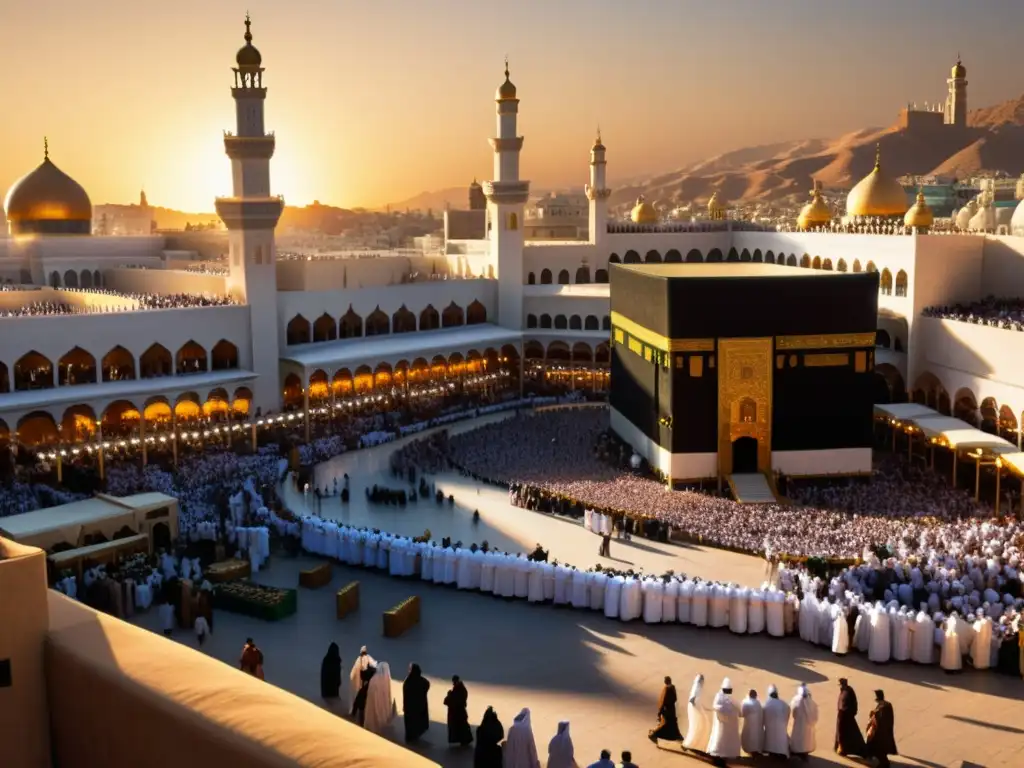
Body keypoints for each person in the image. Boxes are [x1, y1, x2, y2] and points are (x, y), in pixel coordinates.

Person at [707, 677, 741, 766]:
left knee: (719, 740)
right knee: (725, 741)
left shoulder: (719, 698)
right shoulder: (732, 700)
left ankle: (717, 758)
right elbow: (740, 711)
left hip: (721, 725)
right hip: (727, 726)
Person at [865, 690, 898, 768]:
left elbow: (881, 720)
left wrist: (874, 716)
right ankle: (873, 757)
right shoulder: (886, 705)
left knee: (879, 749)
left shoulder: (884, 707)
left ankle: (884, 763)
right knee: (874, 746)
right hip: (881, 731)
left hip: (881, 733)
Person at [835, 678, 866, 757]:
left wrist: (850, 713)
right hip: (844, 715)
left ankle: (843, 749)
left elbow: (849, 703)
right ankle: (842, 748)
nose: (840, 686)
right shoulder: (847, 690)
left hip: (845, 716)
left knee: (844, 733)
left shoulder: (847, 691)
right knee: (846, 733)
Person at [364, 661, 396, 735]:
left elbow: (370, 692)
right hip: (383, 707)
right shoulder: (387, 680)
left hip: (372, 705)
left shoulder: (374, 679)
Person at [648, 676, 682, 743]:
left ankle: (654, 734)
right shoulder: (672, 687)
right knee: (671, 724)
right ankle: (677, 736)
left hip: (667, 710)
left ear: (665, 681)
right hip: (671, 710)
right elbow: (675, 698)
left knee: (666, 724)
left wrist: (660, 711)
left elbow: (662, 701)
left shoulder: (666, 688)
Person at [789, 684, 818, 761]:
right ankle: (804, 753)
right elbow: (815, 716)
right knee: (806, 740)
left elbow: (793, 712)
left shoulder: (796, 701)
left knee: (798, 739)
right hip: (808, 727)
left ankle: (797, 752)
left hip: (798, 725)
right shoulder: (812, 703)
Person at [682, 674, 710, 753]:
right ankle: (690, 743)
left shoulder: (697, 686)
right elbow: (692, 699)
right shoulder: (697, 687)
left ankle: (693, 743)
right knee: (696, 726)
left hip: (694, 708)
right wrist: (697, 708)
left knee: (697, 726)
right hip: (694, 709)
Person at [403, 663, 430, 743]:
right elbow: (427, 684)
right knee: (417, 720)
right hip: (420, 705)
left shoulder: (409, 681)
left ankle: (411, 736)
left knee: (411, 722)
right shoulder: (422, 680)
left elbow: (406, 693)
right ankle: (416, 734)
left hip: (410, 706)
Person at [350, 646, 377, 725]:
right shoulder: (368, 659)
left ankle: (359, 719)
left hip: (366, 685)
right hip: (368, 684)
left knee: (361, 701)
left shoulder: (362, 659)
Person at [444, 675, 473, 746]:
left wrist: (450, 695)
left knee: (461, 726)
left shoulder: (459, 689)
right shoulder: (459, 689)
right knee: (462, 726)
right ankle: (465, 740)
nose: (453, 683)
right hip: (459, 712)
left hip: (458, 712)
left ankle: (464, 740)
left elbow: (457, 700)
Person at [320, 642, 343, 714]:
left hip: (326, 688)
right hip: (334, 689)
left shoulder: (326, 659)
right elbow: (337, 674)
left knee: (328, 705)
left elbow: (323, 674)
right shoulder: (336, 660)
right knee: (333, 706)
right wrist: (339, 682)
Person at [739, 689, 764, 756]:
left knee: (749, 736)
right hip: (758, 726)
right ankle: (755, 750)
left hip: (748, 725)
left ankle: (751, 750)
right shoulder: (758, 703)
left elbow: (741, 714)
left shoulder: (746, 702)